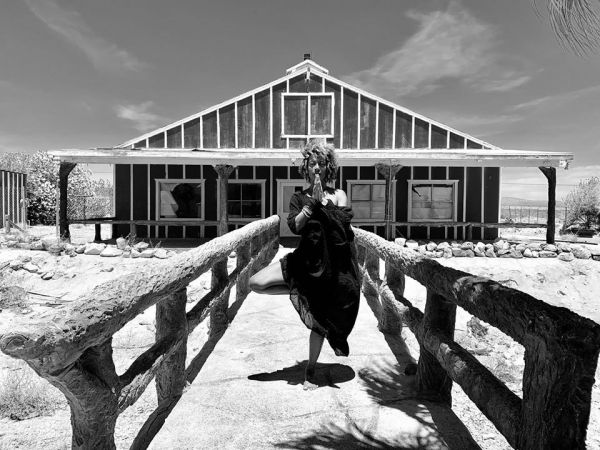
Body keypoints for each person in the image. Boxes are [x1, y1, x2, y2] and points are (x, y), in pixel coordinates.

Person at [249, 139, 360, 389]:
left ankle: (310, 370)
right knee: (256, 283)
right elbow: (295, 227)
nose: (316, 168)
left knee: (320, 319)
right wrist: (312, 204)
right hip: (304, 259)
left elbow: (342, 229)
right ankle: (300, 289)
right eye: (312, 164)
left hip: (331, 265)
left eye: (321, 163)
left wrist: (324, 203)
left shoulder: (339, 195)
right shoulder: (298, 198)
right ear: (306, 168)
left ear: (328, 167)